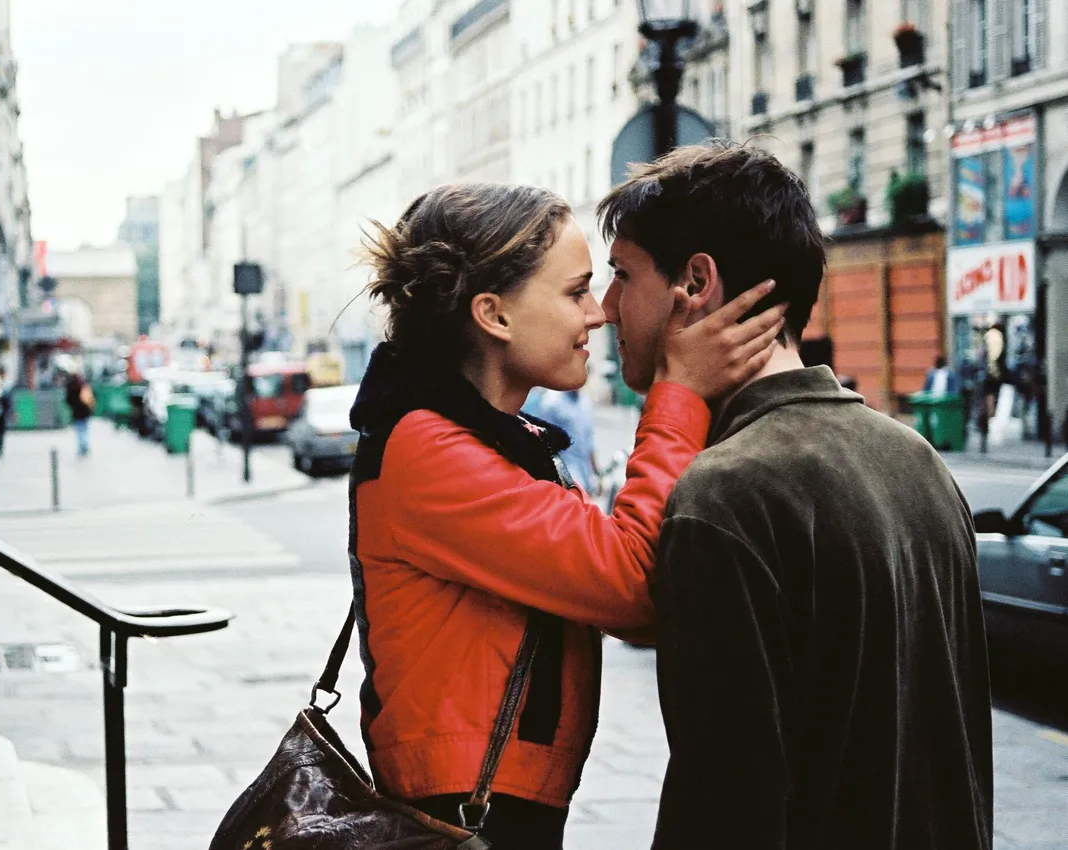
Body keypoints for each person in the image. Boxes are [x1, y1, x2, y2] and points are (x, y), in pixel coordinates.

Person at [348, 182, 785, 847]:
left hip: (488, 800)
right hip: (462, 813)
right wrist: (679, 392)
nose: (599, 313)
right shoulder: (427, 451)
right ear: (493, 315)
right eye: (576, 290)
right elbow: (633, 584)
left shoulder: (485, 438)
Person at [594, 142, 992, 849]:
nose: (605, 307)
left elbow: (724, 804)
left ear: (696, 282)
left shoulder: (724, 496)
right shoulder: (921, 462)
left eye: (623, 275)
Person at [533, 388, 599, 495]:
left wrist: (596, 474)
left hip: (585, 476)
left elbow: (589, 443)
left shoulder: (585, 402)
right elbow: (543, 443)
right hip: (565, 478)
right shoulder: (551, 403)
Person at [65, 371, 95, 457]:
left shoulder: (70, 387)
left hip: (76, 412)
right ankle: (85, 446)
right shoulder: (83, 385)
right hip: (85, 412)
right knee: (85, 430)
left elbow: (68, 400)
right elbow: (90, 398)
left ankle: (82, 448)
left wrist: (73, 405)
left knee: (79, 431)